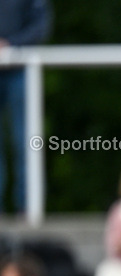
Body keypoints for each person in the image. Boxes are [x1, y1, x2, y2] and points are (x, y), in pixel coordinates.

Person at [0, 0, 51, 216]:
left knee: (26, 140)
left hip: (21, 69)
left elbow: (41, 26)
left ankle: (27, 208)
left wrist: (10, 44)